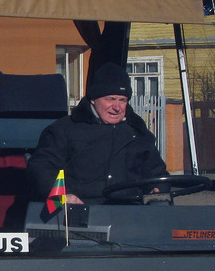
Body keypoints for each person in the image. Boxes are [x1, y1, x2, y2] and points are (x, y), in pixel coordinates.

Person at [26, 62, 167, 206]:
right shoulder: (64, 130)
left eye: (122, 100)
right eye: (110, 99)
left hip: (130, 213)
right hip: (79, 213)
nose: (117, 107)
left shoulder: (138, 133)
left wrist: (157, 189)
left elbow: (157, 174)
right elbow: (42, 168)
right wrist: (62, 196)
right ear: (93, 99)